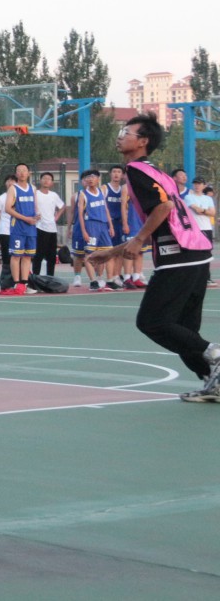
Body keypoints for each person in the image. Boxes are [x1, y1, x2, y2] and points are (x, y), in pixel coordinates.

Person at [88, 115, 218, 401]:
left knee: (152, 322)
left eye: (126, 132)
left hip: (179, 255)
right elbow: (164, 215)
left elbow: (164, 208)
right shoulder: (156, 171)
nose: (120, 136)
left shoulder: (135, 170)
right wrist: (112, 252)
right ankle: (214, 380)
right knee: (184, 332)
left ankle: (215, 353)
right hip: (197, 253)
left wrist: (137, 240)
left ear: (143, 141)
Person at [74, 169, 115, 291]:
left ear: (98, 179)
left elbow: (106, 209)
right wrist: (84, 231)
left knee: (108, 253)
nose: (90, 179)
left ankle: (110, 280)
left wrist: (111, 225)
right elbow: (80, 215)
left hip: (103, 225)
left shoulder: (101, 191)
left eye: (93, 177)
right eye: (88, 177)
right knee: (89, 254)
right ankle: (93, 281)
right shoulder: (83, 194)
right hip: (91, 226)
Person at [2, 163, 39, 296]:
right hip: (18, 227)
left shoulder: (33, 188)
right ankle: (16, 283)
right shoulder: (13, 189)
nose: (22, 173)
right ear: (16, 174)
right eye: (19, 170)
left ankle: (25, 283)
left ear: (29, 173)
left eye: (24, 170)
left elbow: (35, 206)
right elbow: (8, 208)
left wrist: (37, 215)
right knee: (16, 255)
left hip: (31, 227)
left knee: (28, 256)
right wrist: (25, 218)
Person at [31, 172, 66, 278]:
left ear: (52, 182)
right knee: (38, 255)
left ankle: (50, 278)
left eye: (49, 179)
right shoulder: (35, 194)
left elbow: (62, 206)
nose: (46, 180)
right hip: (39, 227)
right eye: (44, 178)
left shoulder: (53, 195)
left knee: (51, 256)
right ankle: (36, 278)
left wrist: (56, 217)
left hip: (52, 229)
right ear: (40, 180)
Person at [183, 177, 216, 286]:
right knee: (194, 253)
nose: (197, 185)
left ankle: (206, 277)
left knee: (207, 253)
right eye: (195, 183)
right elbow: (196, 210)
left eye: (199, 183)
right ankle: (193, 278)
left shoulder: (208, 199)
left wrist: (203, 210)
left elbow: (213, 213)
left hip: (207, 229)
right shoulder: (189, 197)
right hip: (195, 230)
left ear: (204, 185)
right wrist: (205, 211)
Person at [103, 165, 129, 289]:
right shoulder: (105, 188)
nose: (116, 174)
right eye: (114, 171)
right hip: (109, 223)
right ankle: (107, 278)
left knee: (120, 252)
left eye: (119, 172)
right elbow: (103, 206)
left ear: (122, 175)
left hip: (120, 223)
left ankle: (116, 276)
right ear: (110, 174)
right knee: (110, 251)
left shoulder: (124, 189)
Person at [0, 175, 14, 291]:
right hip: (5, 232)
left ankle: (19, 282)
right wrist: (0, 227)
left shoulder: (19, 198)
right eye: (8, 181)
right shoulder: (0, 198)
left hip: (18, 232)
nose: (10, 183)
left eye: (12, 181)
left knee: (18, 257)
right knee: (7, 257)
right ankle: (6, 283)